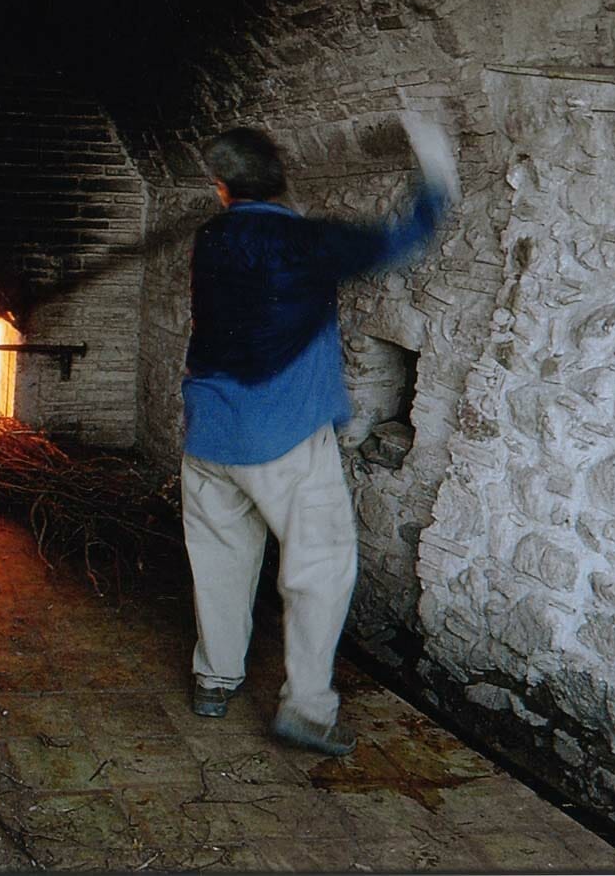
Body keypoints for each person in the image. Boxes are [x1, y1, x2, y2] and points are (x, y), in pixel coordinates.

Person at [181, 116, 458, 756]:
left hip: (210, 435)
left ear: (221, 188)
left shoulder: (210, 239)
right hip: (285, 435)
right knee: (320, 567)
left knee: (220, 560)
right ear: (281, 178)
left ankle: (214, 679)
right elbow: (398, 240)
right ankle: (306, 710)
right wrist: (435, 180)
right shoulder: (308, 243)